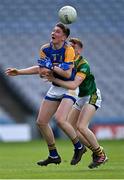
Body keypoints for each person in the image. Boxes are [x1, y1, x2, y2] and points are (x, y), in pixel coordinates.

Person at [5, 23, 86, 166]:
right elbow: (41, 71)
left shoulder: (69, 50)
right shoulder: (45, 49)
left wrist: (51, 67)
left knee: (60, 120)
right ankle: (53, 155)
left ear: (64, 37)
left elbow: (67, 73)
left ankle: (79, 147)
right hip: (55, 87)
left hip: (68, 87)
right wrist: (19, 72)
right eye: (53, 31)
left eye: (58, 32)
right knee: (41, 122)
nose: (53, 33)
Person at [46, 37, 108, 169]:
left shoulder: (83, 65)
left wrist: (54, 79)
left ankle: (100, 154)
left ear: (79, 50)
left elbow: (74, 85)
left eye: (73, 47)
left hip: (91, 95)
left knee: (82, 126)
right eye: (70, 46)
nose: (70, 49)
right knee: (73, 128)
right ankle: (97, 152)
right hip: (80, 98)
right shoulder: (67, 62)